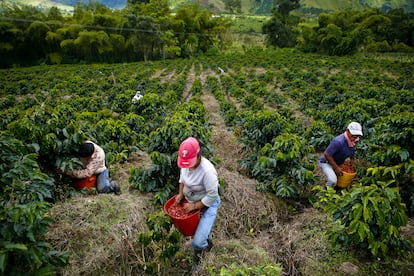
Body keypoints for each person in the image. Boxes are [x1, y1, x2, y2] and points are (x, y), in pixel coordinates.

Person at [175, 137, 221, 273]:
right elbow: (182, 179)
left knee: (196, 242)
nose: (187, 165)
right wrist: (180, 194)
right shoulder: (185, 165)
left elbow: (212, 195)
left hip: (208, 204)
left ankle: (198, 260)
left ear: (198, 155)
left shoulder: (207, 171)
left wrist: (195, 206)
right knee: (195, 231)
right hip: (191, 200)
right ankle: (205, 240)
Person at [319, 122, 363, 188]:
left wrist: (352, 160)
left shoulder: (355, 140)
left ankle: (336, 187)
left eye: (357, 135)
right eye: (353, 135)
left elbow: (352, 149)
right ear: (347, 131)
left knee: (341, 176)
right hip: (327, 162)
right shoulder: (338, 142)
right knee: (332, 180)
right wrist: (336, 168)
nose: (354, 138)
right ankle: (325, 192)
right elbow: (327, 154)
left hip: (338, 162)